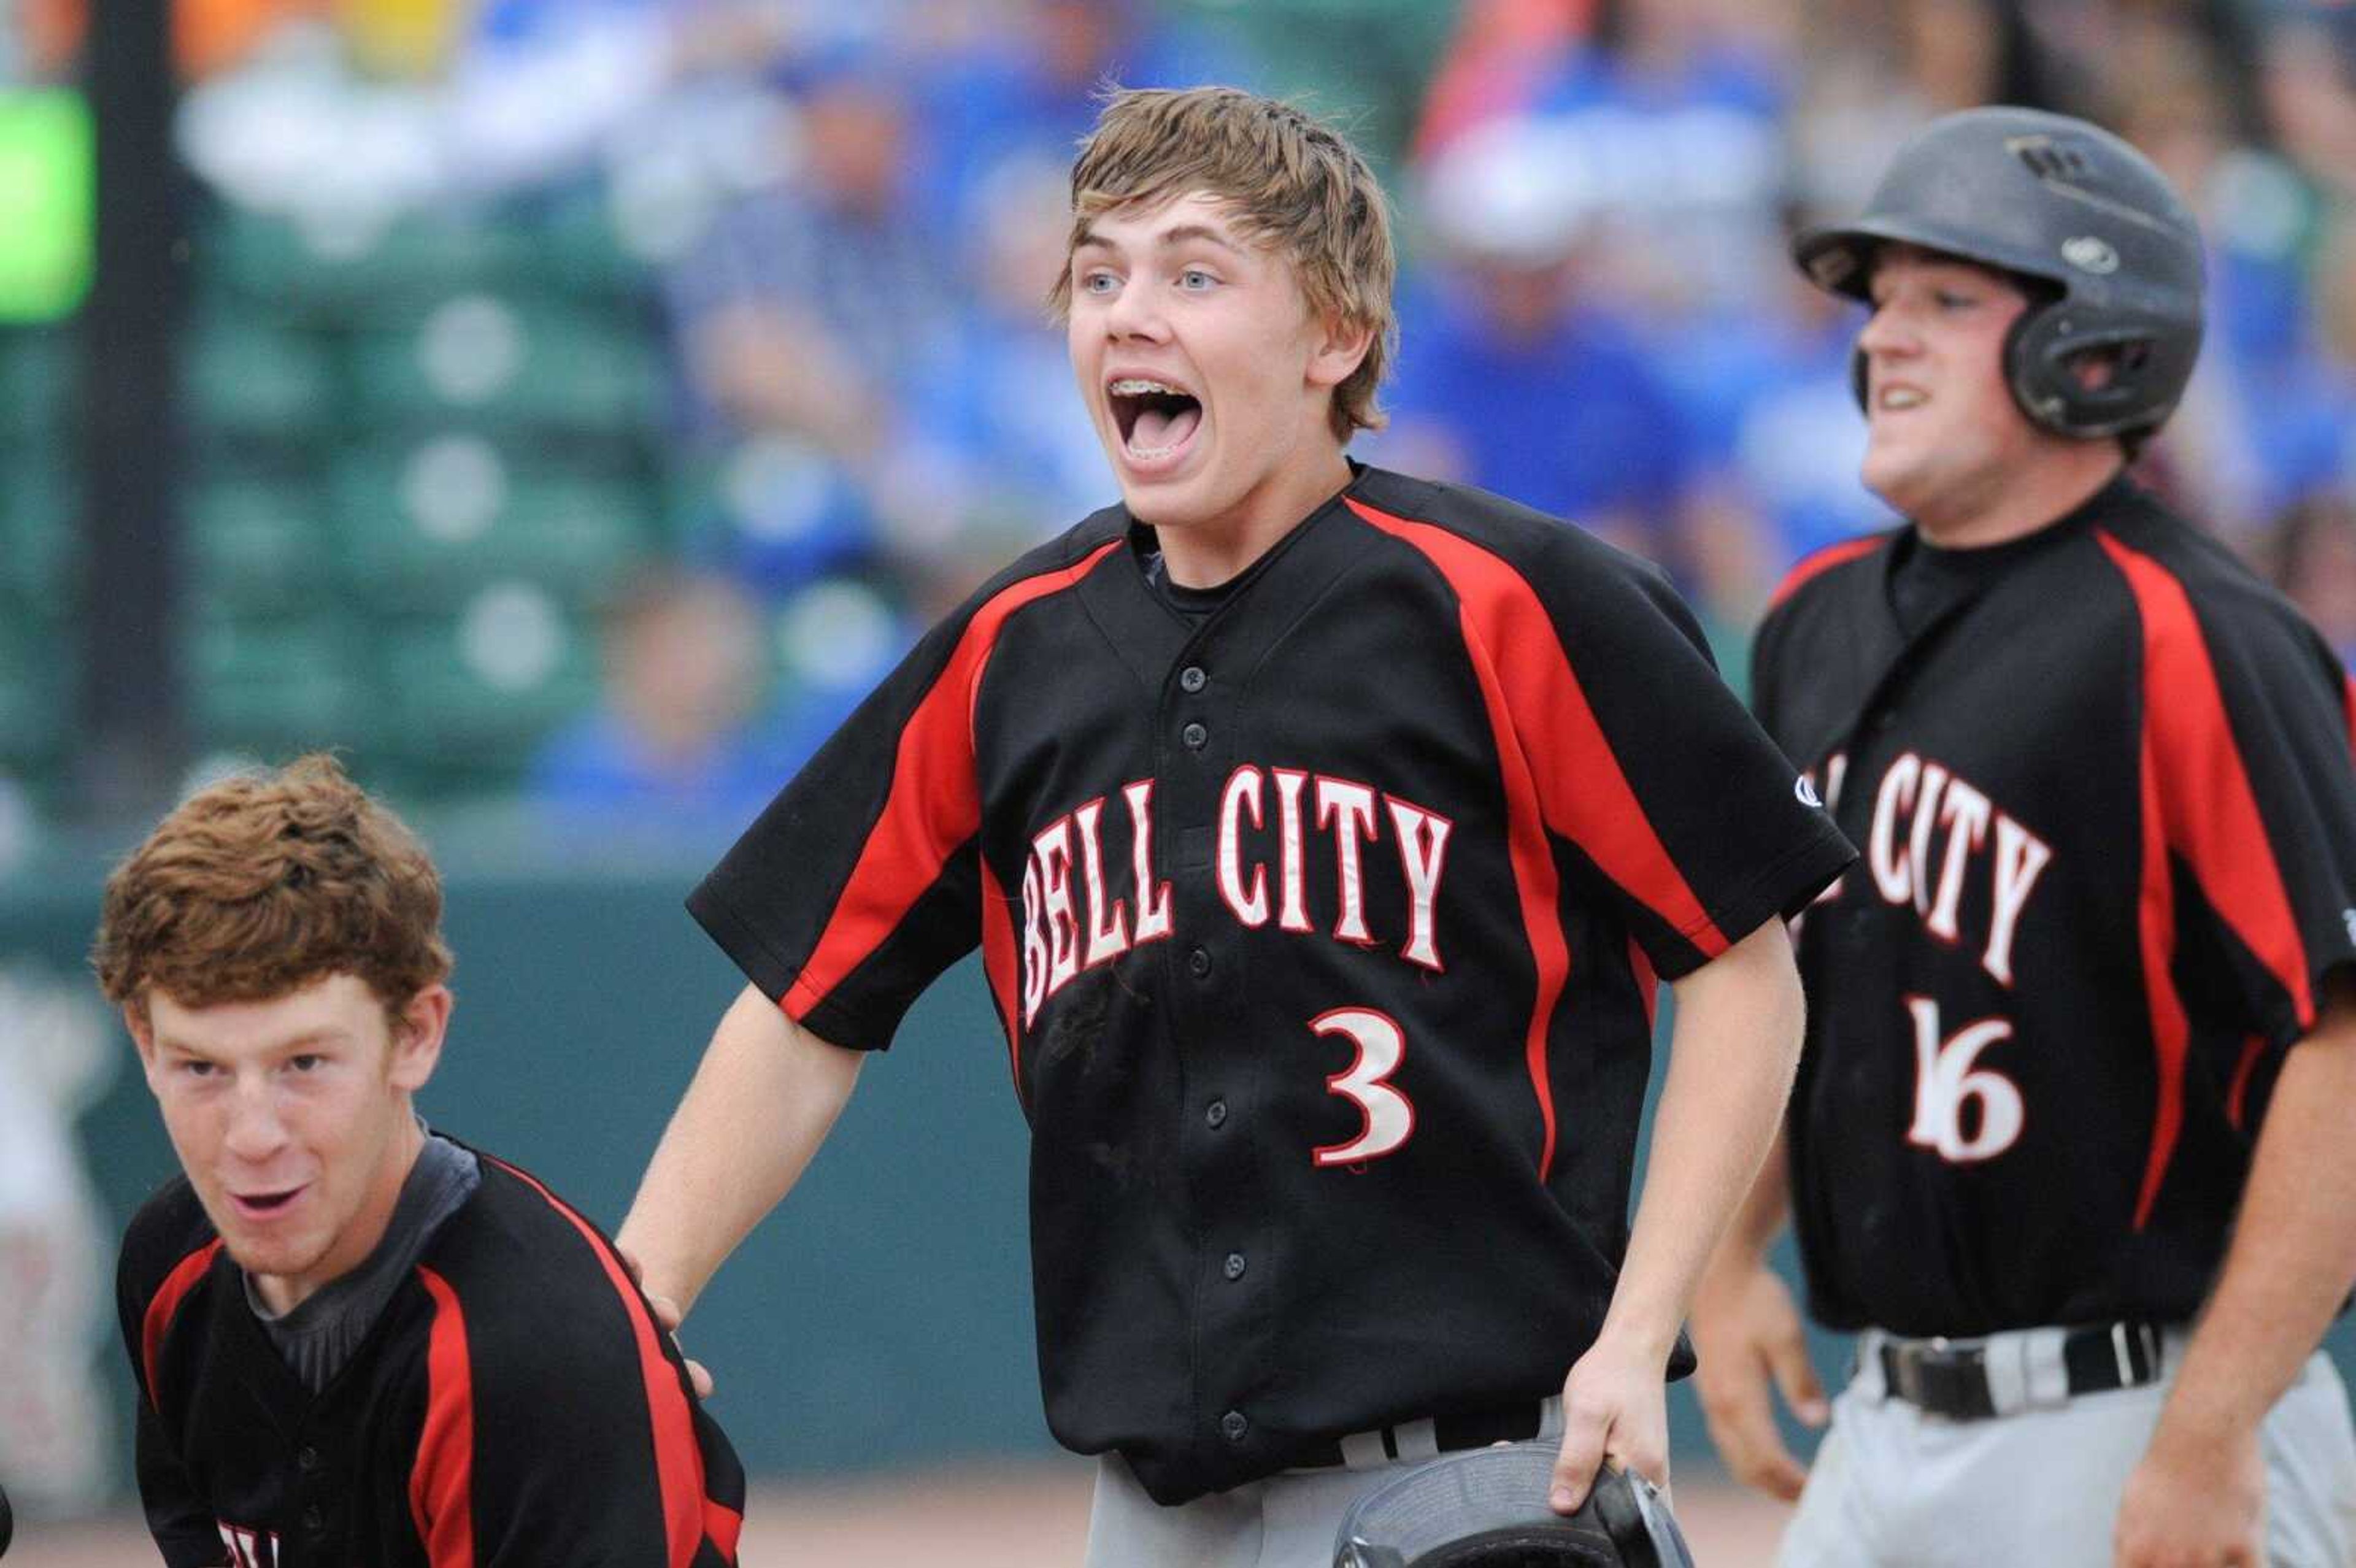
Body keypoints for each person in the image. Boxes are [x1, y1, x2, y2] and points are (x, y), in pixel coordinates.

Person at [617, 84, 1854, 1568]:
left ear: (1335, 340)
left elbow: (1744, 953)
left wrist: (1644, 1323)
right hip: (1154, 1502)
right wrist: (636, 1303)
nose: (1131, 311)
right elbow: (805, 1008)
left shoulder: (1510, 601)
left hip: (1479, 1473)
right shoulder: (1012, 650)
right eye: (1098, 275)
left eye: (1196, 273)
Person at [1696, 105, 2356, 1568]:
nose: (1883, 339)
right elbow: (1789, 975)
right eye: (1877, 302)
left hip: (2141, 1409)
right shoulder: (1812, 620)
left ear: (2099, 345)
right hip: (1885, 1418)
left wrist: (2211, 1431)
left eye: (1947, 299)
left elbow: (2344, 1045)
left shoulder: (2199, 634)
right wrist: (1728, 1257)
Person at [101, 756, 745, 1568]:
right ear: (146, 1045)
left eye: (304, 1064)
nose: (252, 1135)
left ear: (414, 1034)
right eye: (202, 1069)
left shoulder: (534, 1358)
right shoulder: (169, 1270)